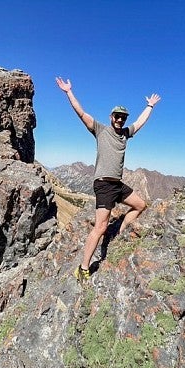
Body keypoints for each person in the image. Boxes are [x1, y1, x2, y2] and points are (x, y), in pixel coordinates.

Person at [56, 76, 161, 283]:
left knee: (140, 205)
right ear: (111, 116)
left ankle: (119, 234)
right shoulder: (100, 130)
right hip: (103, 183)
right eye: (117, 116)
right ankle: (83, 268)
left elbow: (139, 123)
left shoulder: (125, 134)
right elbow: (81, 113)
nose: (120, 120)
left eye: (123, 117)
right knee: (100, 227)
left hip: (118, 184)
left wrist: (149, 106)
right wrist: (69, 92)